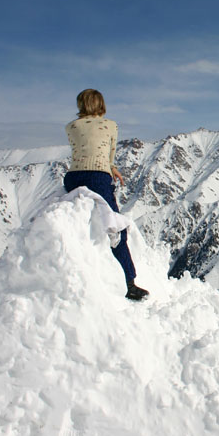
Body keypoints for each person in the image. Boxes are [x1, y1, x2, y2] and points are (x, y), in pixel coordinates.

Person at [63, 88, 149, 301]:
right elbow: (107, 153)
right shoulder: (111, 125)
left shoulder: (71, 127)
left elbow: (83, 150)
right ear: (101, 104)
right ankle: (130, 283)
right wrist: (111, 168)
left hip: (72, 176)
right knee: (117, 229)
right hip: (98, 178)